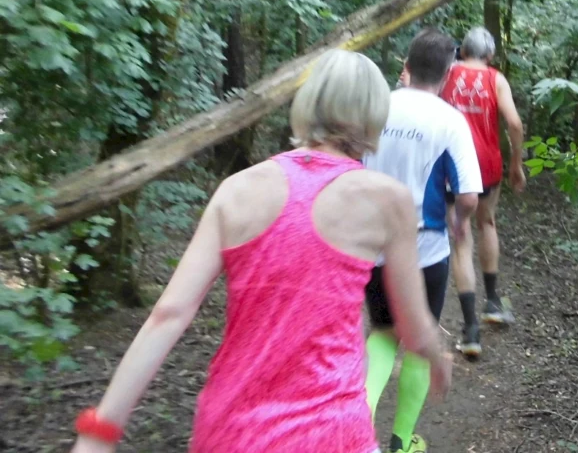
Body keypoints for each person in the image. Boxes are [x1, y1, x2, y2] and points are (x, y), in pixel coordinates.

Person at [69, 50, 451, 453]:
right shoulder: (386, 199)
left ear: (308, 102)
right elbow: (409, 326)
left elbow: (168, 314)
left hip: (230, 431)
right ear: (376, 115)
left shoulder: (235, 190)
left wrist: (99, 431)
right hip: (329, 432)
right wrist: (436, 356)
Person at [362, 28, 481, 453]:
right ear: (448, 74)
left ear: (406, 66)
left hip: (373, 242)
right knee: (418, 335)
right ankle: (399, 443)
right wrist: (459, 220)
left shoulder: (376, 109)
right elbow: (468, 194)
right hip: (426, 247)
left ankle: (356, 436)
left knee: (382, 332)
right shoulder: (451, 121)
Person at [441, 26, 526, 359]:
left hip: (452, 165)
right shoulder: (496, 78)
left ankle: (471, 330)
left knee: (461, 240)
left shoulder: (446, 73)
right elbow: (515, 124)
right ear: (490, 55)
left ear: (463, 52)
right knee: (486, 223)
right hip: (487, 164)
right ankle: (492, 302)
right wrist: (516, 163)